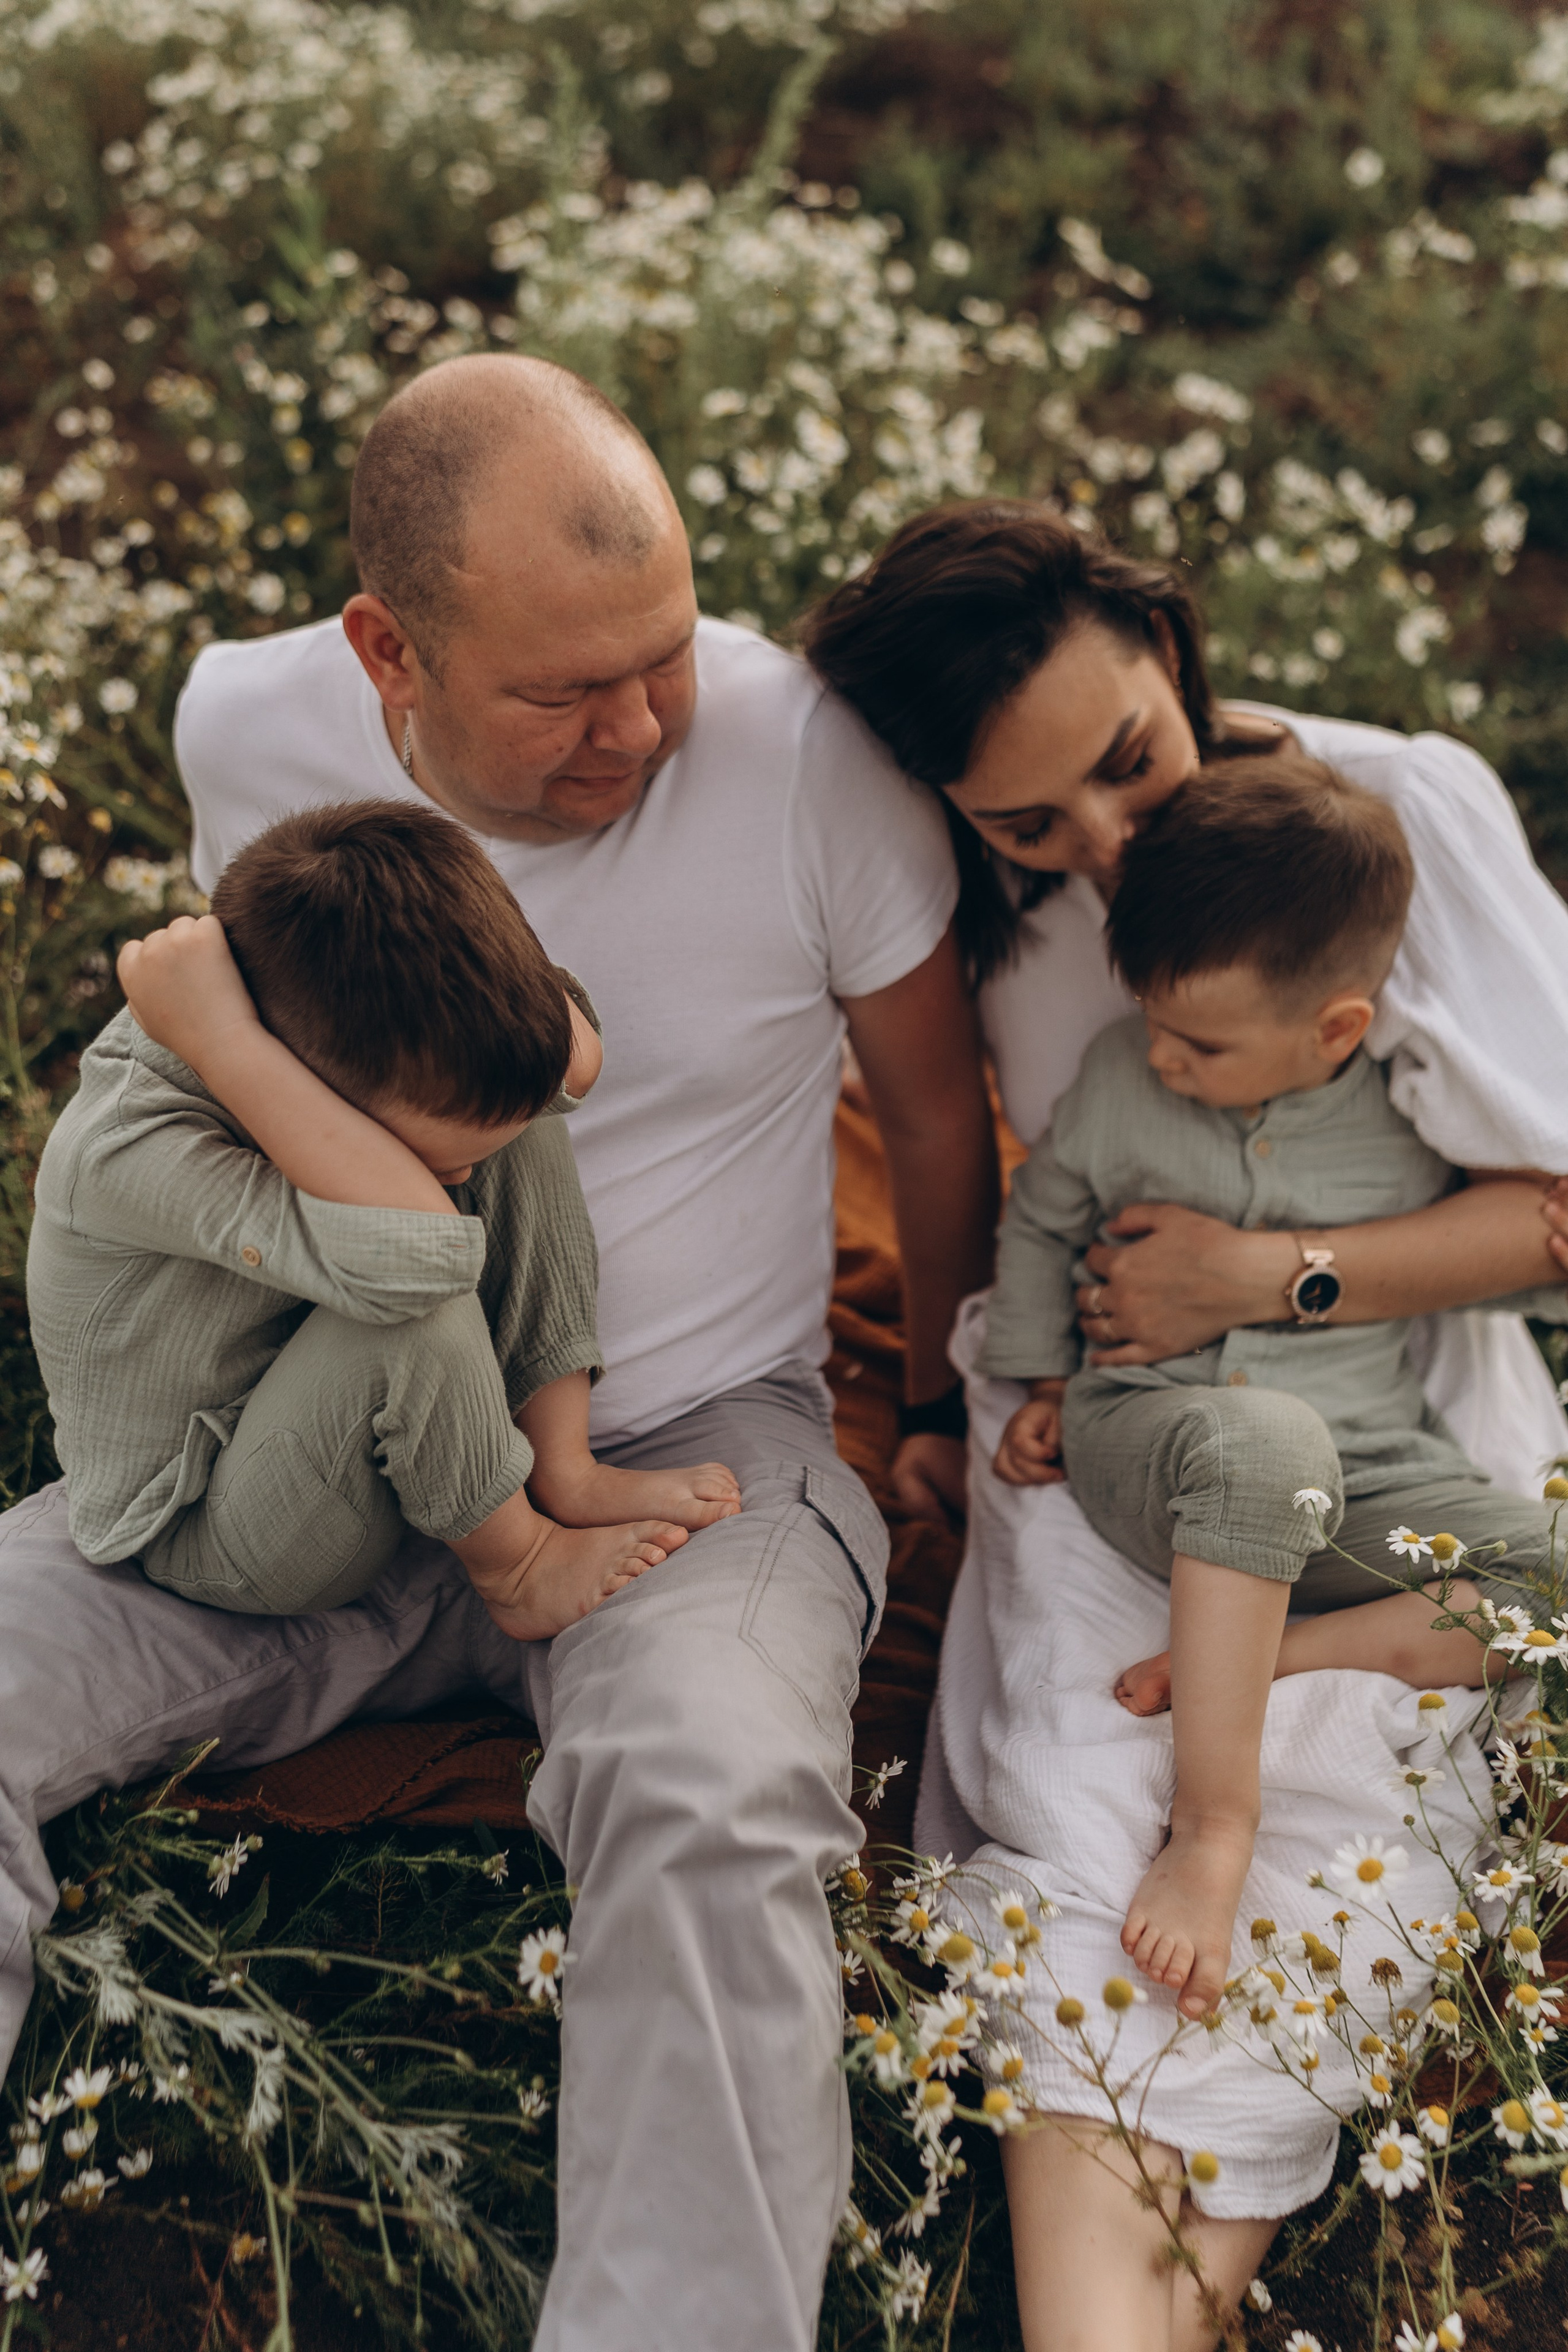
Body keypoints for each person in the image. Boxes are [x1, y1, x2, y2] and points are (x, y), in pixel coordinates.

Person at [0, 358, 999, 2352]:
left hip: (686, 1448)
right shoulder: (246, 722)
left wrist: (939, 1407)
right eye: (564, 692)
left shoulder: (809, 761)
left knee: (711, 1791)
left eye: (662, 656)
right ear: (388, 651)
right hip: (298, 1440)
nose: (641, 728)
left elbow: (937, 1118)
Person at [804, 500, 1568, 2350]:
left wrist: (1267, 1277)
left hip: (1386, 1380)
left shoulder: (1389, 814)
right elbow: (975, 1175)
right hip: (1115, 1418)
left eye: (1127, 763)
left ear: (1170, 645)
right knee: (1091, 1821)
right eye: (1026, 824)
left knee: (1344, 1803)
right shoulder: (986, 918)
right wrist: (952, 1403)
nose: (1103, 847)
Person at [983, 753, 1560, 2019]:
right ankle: (1211, 1826)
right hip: (1162, 1438)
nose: (1161, 1055)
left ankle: (1262, 1651)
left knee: (1555, 1580)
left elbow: (1498, 1252)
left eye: (1198, 1041)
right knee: (1266, 1440)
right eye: (1150, 1020)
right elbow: (1041, 1218)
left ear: (1336, 1029)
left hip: (1370, 1467)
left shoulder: (1407, 1120)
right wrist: (1041, 1380)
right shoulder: (1120, 1083)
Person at [29, 802, 742, 1634]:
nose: (460, 1181)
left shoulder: (323, 1013)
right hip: (218, 1517)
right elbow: (419, 1261)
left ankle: (563, 1470)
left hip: (335, 1411)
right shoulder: (130, 1147)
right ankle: (517, 1565)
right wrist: (227, 1040)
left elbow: (572, 1060)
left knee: (517, 1124)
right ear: (302, 1080)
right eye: (442, 1163)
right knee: (413, 1304)